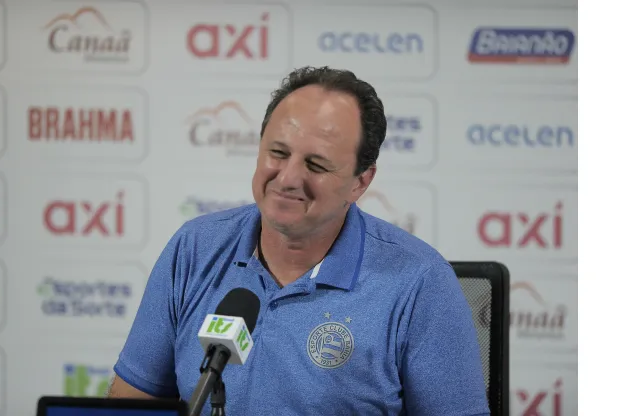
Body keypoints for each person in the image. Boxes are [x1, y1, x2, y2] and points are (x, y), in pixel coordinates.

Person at [108, 66, 490, 415]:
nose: (288, 178)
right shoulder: (194, 248)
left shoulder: (421, 282)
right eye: (278, 152)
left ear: (361, 181)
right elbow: (131, 403)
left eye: (316, 165)